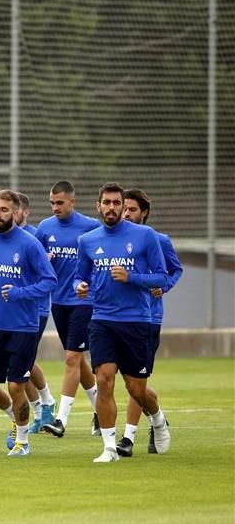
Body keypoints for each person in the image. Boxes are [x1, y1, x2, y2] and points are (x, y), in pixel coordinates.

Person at [74, 182, 170, 463]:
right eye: (107, 203)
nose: (112, 208)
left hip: (137, 320)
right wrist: (80, 286)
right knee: (104, 380)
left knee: (136, 389)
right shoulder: (88, 240)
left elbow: (162, 278)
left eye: (117, 203)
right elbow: (80, 276)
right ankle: (109, 448)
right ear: (98, 206)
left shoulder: (145, 236)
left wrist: (132, 278)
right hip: (102, 319)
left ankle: (158, 419)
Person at [0, 190, 57, 456]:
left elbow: (49, 281)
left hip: (23, 327)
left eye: (3, 210)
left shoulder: (30, 244)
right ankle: (16, 417)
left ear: (15, 212)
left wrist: (21, 292)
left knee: (15, 385)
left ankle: (22, 442)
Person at [115, 188, 183, 457]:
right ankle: (158, 418)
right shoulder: (112, 240)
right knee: (123, 382)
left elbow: (174, 270)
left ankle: (128, 437)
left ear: (144, 213)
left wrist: (163, 286)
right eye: (125, 208)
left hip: (148, 319)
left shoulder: (158, 240)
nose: (127, 214)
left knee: (136, 382)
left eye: (132, 209)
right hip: (115, 319)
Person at [35, 181, 103, 438]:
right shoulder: (45, 228)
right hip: (59, 303)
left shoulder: (90, 227)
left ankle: (61, 420)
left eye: (60, 203)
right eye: (52, 203)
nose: (55, 208)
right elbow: (35, 259)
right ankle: (100, 411)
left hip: (84, 302)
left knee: (72, 358)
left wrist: (92, 284)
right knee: (79, 359)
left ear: (72, 202)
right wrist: (44, 261)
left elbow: (103, 262)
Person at [14, 192, 57, 433]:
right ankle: (42, 410)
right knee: (21, 364)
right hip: (13, 312)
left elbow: (47, 273)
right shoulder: (4, 238)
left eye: (15, 209)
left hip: (36, 309)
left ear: (25, 212)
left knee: (25, 362)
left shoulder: (34, 237)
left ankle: (47, 404)